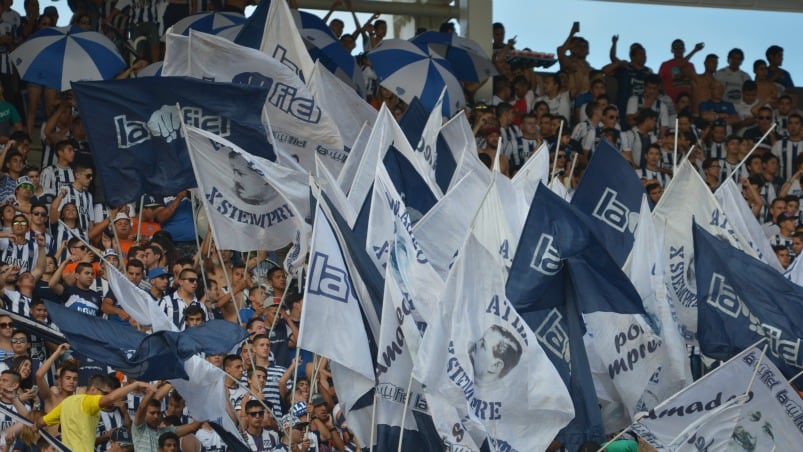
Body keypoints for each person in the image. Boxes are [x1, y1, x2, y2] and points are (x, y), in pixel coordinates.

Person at [37, 374, 153, 452]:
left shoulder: (67, 402)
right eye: (103, 393)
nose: (104, 398)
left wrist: (33, 426)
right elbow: (111, 398)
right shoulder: (89, 402)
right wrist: (135, 385)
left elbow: (41, 422)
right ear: (92, 389)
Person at [132, 386, 202, 451]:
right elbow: (142, 407)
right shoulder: (139, 428)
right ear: (144, 414)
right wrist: (157, 387)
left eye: (158, 413)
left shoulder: (167, 431)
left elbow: (193, 426)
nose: (156, 416)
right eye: (152, 413)